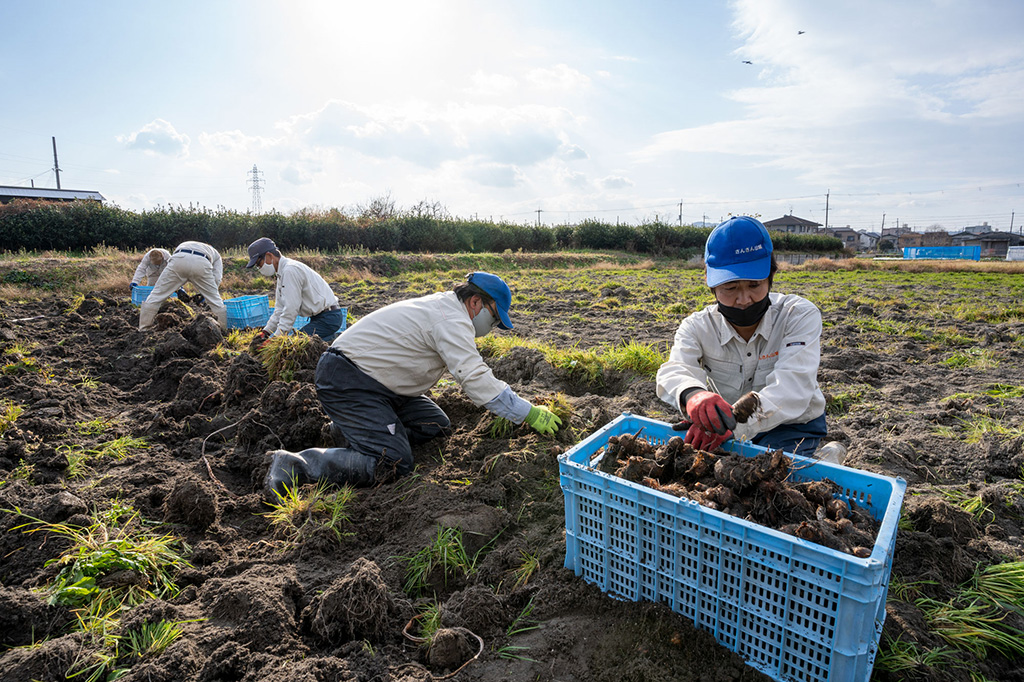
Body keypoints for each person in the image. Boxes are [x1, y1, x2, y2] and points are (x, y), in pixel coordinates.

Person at [263, 271, 563, 500]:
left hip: (381, 385)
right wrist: (527, 412)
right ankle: (297, 464)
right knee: (393, 462)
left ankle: (351, 432)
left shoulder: (446, 308)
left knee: (435, 424)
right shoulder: (451, 320)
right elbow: (473, 377)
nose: (493, 328)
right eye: (495, 319)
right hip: (349, 379)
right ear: (476, 302)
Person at [656, 216, 827, 457]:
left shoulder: (797, 315)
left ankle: (826, 456)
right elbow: (675, 369)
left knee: (777, 476)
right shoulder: (697, 326)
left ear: (771, 275)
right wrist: (693, 394)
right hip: (726, 427)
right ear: (710, 282)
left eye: (754, 285)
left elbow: (792, 387)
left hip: (792, 426)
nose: (744, 299)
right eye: (731, 288)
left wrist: (735, 424)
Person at [245, 237, 345, 344]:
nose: (259, 268)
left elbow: (291, 309)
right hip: (320, 318)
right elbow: (279, 309)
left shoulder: (290, 271)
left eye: (259, 263)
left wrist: (277, 338)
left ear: (269, 256)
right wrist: (266, 332)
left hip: (328, 318)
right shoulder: (281, 273)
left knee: (296, 346)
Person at [139, 241, 227, 331]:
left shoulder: (186, 243)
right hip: (201, 262)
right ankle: (223, 330)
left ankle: (144, 329)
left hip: (179, 258)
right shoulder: (215, 253)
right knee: (216, 302)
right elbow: (217, 278)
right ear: (209, 247)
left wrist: (177, 288)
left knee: (156, 295)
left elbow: (174, 268)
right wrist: (206, 294)